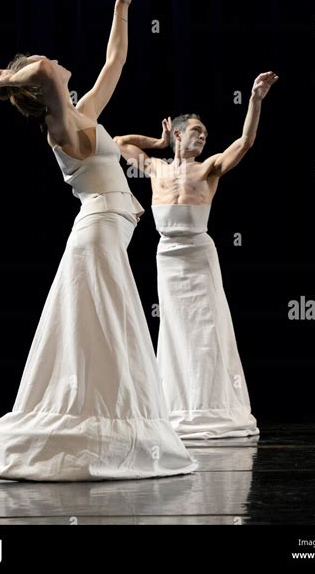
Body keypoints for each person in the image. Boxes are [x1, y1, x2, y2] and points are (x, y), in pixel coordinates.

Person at [0, 0, 197, 481]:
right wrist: (7, 80)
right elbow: (44, 68)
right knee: (105, 328)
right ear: (42, 90)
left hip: (105, 232)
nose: (63, 64)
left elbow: (115, 62)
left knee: (102, 330)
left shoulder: (82, 111)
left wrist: (121, 6)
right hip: (97, 233)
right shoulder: (59, 124)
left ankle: (106, 422)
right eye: (53, 69)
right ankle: (99, 428)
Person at [114, 71, 278, 439]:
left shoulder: (209, 168)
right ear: (177, 134)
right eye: (196, 132)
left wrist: (254, 99)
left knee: (206, 329)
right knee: (174, 330)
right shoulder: (155, 168)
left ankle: (212, 407)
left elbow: (246, 142)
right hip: (167, 255)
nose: (203, 137)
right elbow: (119, 141)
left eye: (205, 134)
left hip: (198, 254)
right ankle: (178, 407)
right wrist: (156, 140)